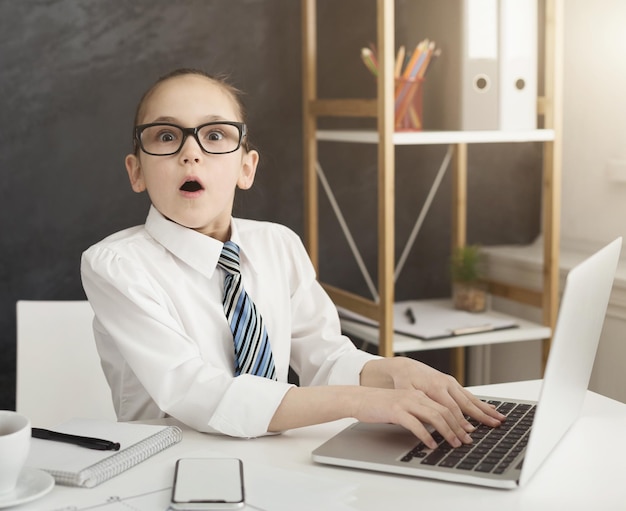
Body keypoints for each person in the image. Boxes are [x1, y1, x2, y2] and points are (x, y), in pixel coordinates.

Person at [81, 68, 504, 449]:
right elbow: (198, 393)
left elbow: (326, 358)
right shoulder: (116, 266)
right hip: (167, 468)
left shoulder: (277, 245)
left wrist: (393, 373)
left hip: (274, 458)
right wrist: (363, 401)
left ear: (246, 168)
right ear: (136, 171)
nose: (191, 153)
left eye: (214, 136)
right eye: (167, 136)